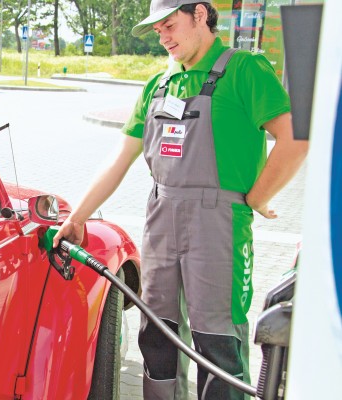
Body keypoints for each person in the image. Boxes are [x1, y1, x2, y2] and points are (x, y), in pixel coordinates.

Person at [53, 1, 308, 399]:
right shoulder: (159, 86)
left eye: (170, 25)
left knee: (217, 341)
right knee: (158, 335)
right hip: (160, 218)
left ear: (200, 15)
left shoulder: (244, 70)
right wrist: (77, 217)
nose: (163, 38)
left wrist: (258, 196)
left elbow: (295, 138)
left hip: (219, 224)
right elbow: (120, 158)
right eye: (158, 32)